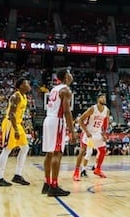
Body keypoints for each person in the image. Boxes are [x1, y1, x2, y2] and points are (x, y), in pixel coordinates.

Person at [42, 69, 77, 197]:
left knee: (49, 153)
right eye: (70, 73)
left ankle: (47, 183)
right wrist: (72, 131)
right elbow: (67, 111)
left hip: (48, 120)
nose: (72, 76)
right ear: (66, 77)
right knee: (58, 153)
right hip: (57, 121)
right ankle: (54, 186)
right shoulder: (66, 90)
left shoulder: (54, 89)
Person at [0, 77, 32, 187]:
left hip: (18, 124)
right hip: (11, 124)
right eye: (26, 83)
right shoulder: (15, 96)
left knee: (25, 148)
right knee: (7, 149)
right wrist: (16, 129)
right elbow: (11, 114)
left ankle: (17, 175)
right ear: (20, 86)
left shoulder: (24, 96)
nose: (28, 84)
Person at [73, 93, 110, 181]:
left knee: (103, 150)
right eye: (101, 97)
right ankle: (76, 172)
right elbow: (80, 120)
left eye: (104, 97)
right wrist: (86, 131)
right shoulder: (93, 109)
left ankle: (98, 169)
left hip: (97, 133)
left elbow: (105, 122)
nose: (103, 99)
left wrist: (104, 133)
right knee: (83, 151)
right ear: (98, 99)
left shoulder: (106, 110)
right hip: (88, 133)